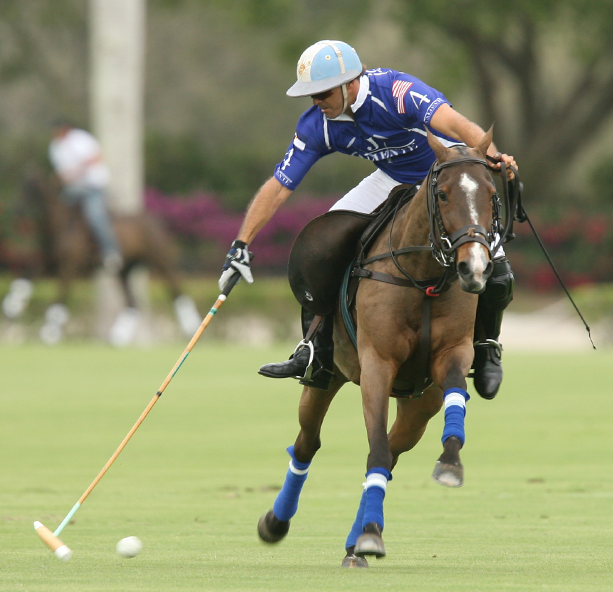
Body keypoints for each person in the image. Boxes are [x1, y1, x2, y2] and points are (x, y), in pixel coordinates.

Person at [219, 40, 517, 399]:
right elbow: (280, 186)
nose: (316, 102)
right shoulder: (318, 124)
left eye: (322, 92)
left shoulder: (396, 92)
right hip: (391, 178)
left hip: (442, 174)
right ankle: (314, 350)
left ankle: (486, 347)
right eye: (310, 95)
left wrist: (495, 158)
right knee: (322, 243)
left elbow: (456, 125)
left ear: (350, 84)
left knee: (496, 268)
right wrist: (241, 244)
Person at [48, 119, 123, 273]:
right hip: (74, 189)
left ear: (65, 128)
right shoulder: (55, 147)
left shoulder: (81, 138)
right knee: (57, 211)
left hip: (93, 186)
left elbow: (97, 157)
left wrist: (78, 170)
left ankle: (111, 251)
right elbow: (62, 171)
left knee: (96, 216)